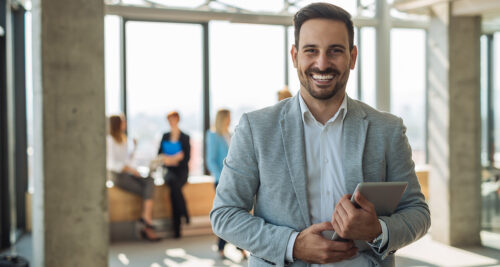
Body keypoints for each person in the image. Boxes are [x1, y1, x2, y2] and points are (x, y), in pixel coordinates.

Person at [210, 3, 430, 267]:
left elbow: (418, 213)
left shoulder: (388, 129)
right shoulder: (256, 128)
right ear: (294, 56)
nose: (322, 63)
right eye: (311, 51)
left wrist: (377, 230)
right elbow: (224, 215)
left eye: (335, 51)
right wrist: (292, 245)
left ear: (353, 57)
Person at [106, 115, 160, 242]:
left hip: (127, 173)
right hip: (117, 175)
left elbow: (127, 161)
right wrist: (130, 170)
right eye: (123, 122)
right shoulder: (109, 140)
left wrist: (134, 149)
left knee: (150, 181)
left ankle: (145, 218)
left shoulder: (124, 139)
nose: (125, 124)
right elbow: (112, 164)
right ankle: (147, 223)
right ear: (117, 124)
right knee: (148, 192)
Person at [206, 109, 248, 260]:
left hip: (235, 179)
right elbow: (210, 160)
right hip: (221, 180)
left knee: (236, 213)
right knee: (227, 213)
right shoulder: (212, 135)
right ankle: (229, 247)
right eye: (228, 117)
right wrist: (220, 179)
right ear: (222, 118)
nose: (230, 120)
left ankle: (233, 247)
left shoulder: (229, 134)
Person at [158, 111, 190, 238]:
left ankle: (177, 228)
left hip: (181, 171)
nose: (171, 122)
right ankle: (184, 213)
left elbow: (186, 158)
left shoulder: (185, 137)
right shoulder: (165, 136)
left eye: (173, 119)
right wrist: (173, 159)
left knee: (174, 188)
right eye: (169, 120)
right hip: (168, 171)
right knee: (173, 183)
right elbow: (160, 155)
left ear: (178, 120)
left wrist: (172, 159)